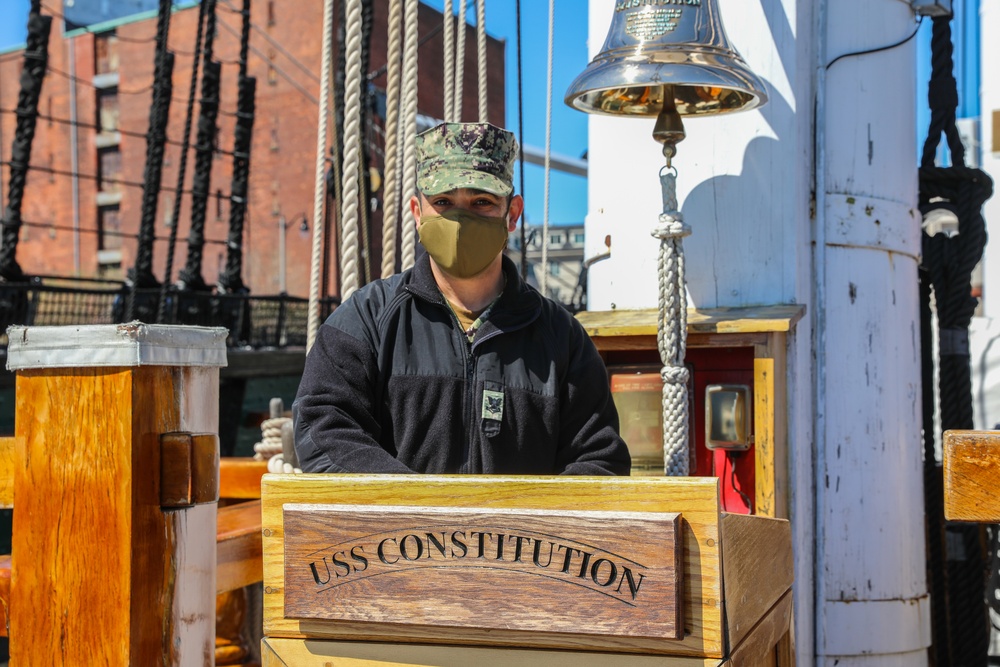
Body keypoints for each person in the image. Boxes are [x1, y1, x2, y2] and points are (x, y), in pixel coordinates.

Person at [292, 122, 630, 475]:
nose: (460, 220)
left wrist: (519, 522)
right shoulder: (367, 319)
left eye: (481, 202)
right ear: (417, 212)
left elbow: (598, 459)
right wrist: (420, 508)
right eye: (443, 202)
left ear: (512, 213)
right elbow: (323, 424)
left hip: (517, 531)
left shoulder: (562, 338)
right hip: (402, 531)